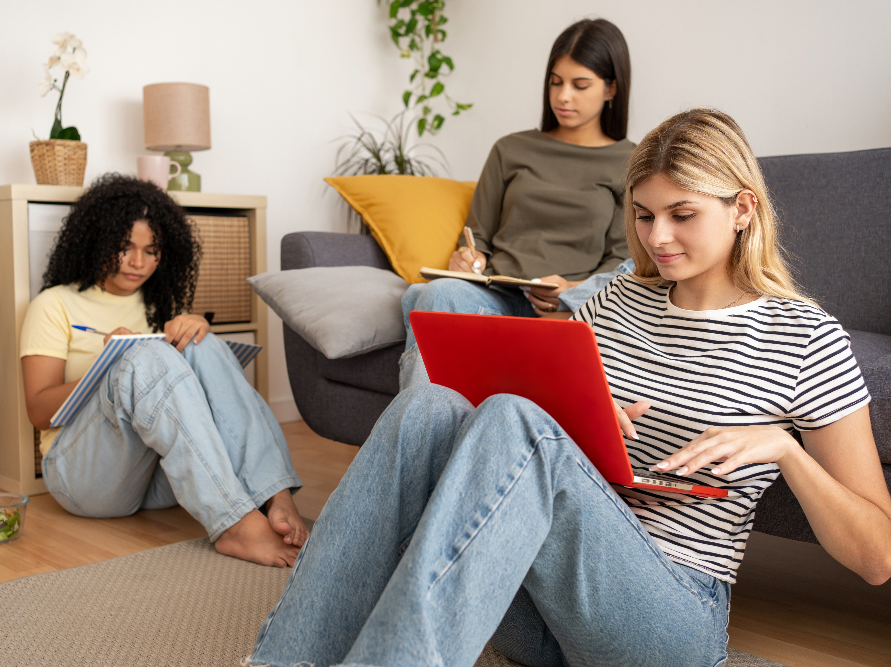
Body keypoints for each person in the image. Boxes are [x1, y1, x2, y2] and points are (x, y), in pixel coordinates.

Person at [245, 109, 891, 667]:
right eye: (643, 215)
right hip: (537, 603)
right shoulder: (618, 298)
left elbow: (876, 556)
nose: (657, 237)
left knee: (514, 420)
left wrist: (785, 448)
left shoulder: (805, 336)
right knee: (428, 403)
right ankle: (283, 657)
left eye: (682, 214)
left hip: (667, 614)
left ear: (743, 207)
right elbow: (540, 434)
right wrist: (580, 415)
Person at [19, 174, 309, 568]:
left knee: (200, 342)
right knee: (144, 358)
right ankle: (235, 523)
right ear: (97, 241)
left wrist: (189, 330)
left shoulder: (158, 304)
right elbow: (38, 411)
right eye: (125, 248)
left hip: (161, 480)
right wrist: (111, 368)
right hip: (83, 478)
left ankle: (274, 494)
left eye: (151, 250)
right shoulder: (54, 304)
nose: (139, 262)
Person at [400, 18, 635, 388]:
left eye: (580, 84)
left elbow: (624, 261)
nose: (563, 96)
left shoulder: (632, 163)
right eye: (555, 82)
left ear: (612, 89)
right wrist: (468, 258)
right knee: (438, 292)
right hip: (497, 297)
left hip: (571, 308)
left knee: (422, 299)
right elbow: (477, 236)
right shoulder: (511, 149)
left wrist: (574, 288)